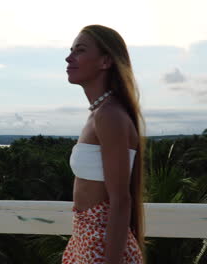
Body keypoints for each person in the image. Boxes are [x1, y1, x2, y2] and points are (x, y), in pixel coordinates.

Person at [62, 25, 145, 264]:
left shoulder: (109, 115)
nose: (69, 58)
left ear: (105, 61)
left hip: (102, 246)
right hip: (86, 240)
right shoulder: (100, 113)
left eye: (80, 50)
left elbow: (121, 200)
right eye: (71, 50)